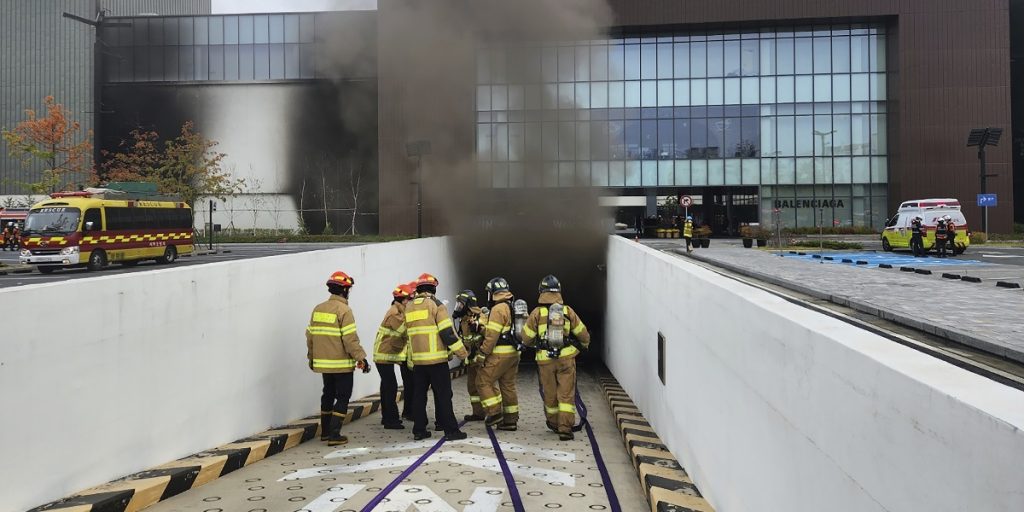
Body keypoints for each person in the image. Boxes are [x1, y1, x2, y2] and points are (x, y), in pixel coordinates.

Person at [520, 275, 591, 441]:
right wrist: (584, 345)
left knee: (550, 393)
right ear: (558, 291)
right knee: (566, 395)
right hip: (566, 359)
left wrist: (534, 344)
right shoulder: (567, 311)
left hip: (545, 360)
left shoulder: (537, 313)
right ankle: (565, 428)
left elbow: (526, 338)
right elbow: (582, 333)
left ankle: (553, 422)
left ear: (541, 292)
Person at [306, 270, 371, 446]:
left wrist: (311, 358)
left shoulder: (318, 309)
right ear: (344, 290)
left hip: (323, 364)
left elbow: (310, 337)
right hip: (341, 365)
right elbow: (350, 340)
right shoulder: (344, 310)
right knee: (342, 396)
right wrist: (362, 358)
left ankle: (326, 432)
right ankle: (335, 435)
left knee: (327, 394)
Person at [405, 273, 469, 441]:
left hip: (418, 362)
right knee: (443, 396)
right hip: (437, 361)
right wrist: (463, 354)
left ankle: (419, 430)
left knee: (419, 396)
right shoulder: (436, 305)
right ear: (433, 289)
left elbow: (409, 336)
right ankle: (451, 431)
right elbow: (448, 333)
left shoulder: (409, 307)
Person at [475, 277, 521, 430]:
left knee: (482, 381)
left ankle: (495, 413)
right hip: (514, 353)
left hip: (500, 354)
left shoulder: (498, 309)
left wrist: (482, 352)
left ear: (493, 293)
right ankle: (510, 420)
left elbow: (492, 335)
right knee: (508, 385)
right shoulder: (512, 306)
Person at [374, 282, 415, 429]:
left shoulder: (398, 310)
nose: (411, 302)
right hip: (383, 355)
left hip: (386, 355)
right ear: (404, 300)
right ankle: (391, 420)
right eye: (410, 299)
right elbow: (404, 330)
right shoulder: (395, 313)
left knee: (386, 386)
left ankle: (387, 418)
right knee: (390, 387)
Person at [453, 290, 486, 421]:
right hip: (471, 360)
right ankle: (478, 413)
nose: (458, 307)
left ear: (468, 304)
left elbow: (490, 334)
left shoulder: (480, 316)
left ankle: (494, 412)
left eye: (461, 304)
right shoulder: (463, 320)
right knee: (472, 387)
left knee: (484, 385)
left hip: (481, 359)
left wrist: (479, 327)